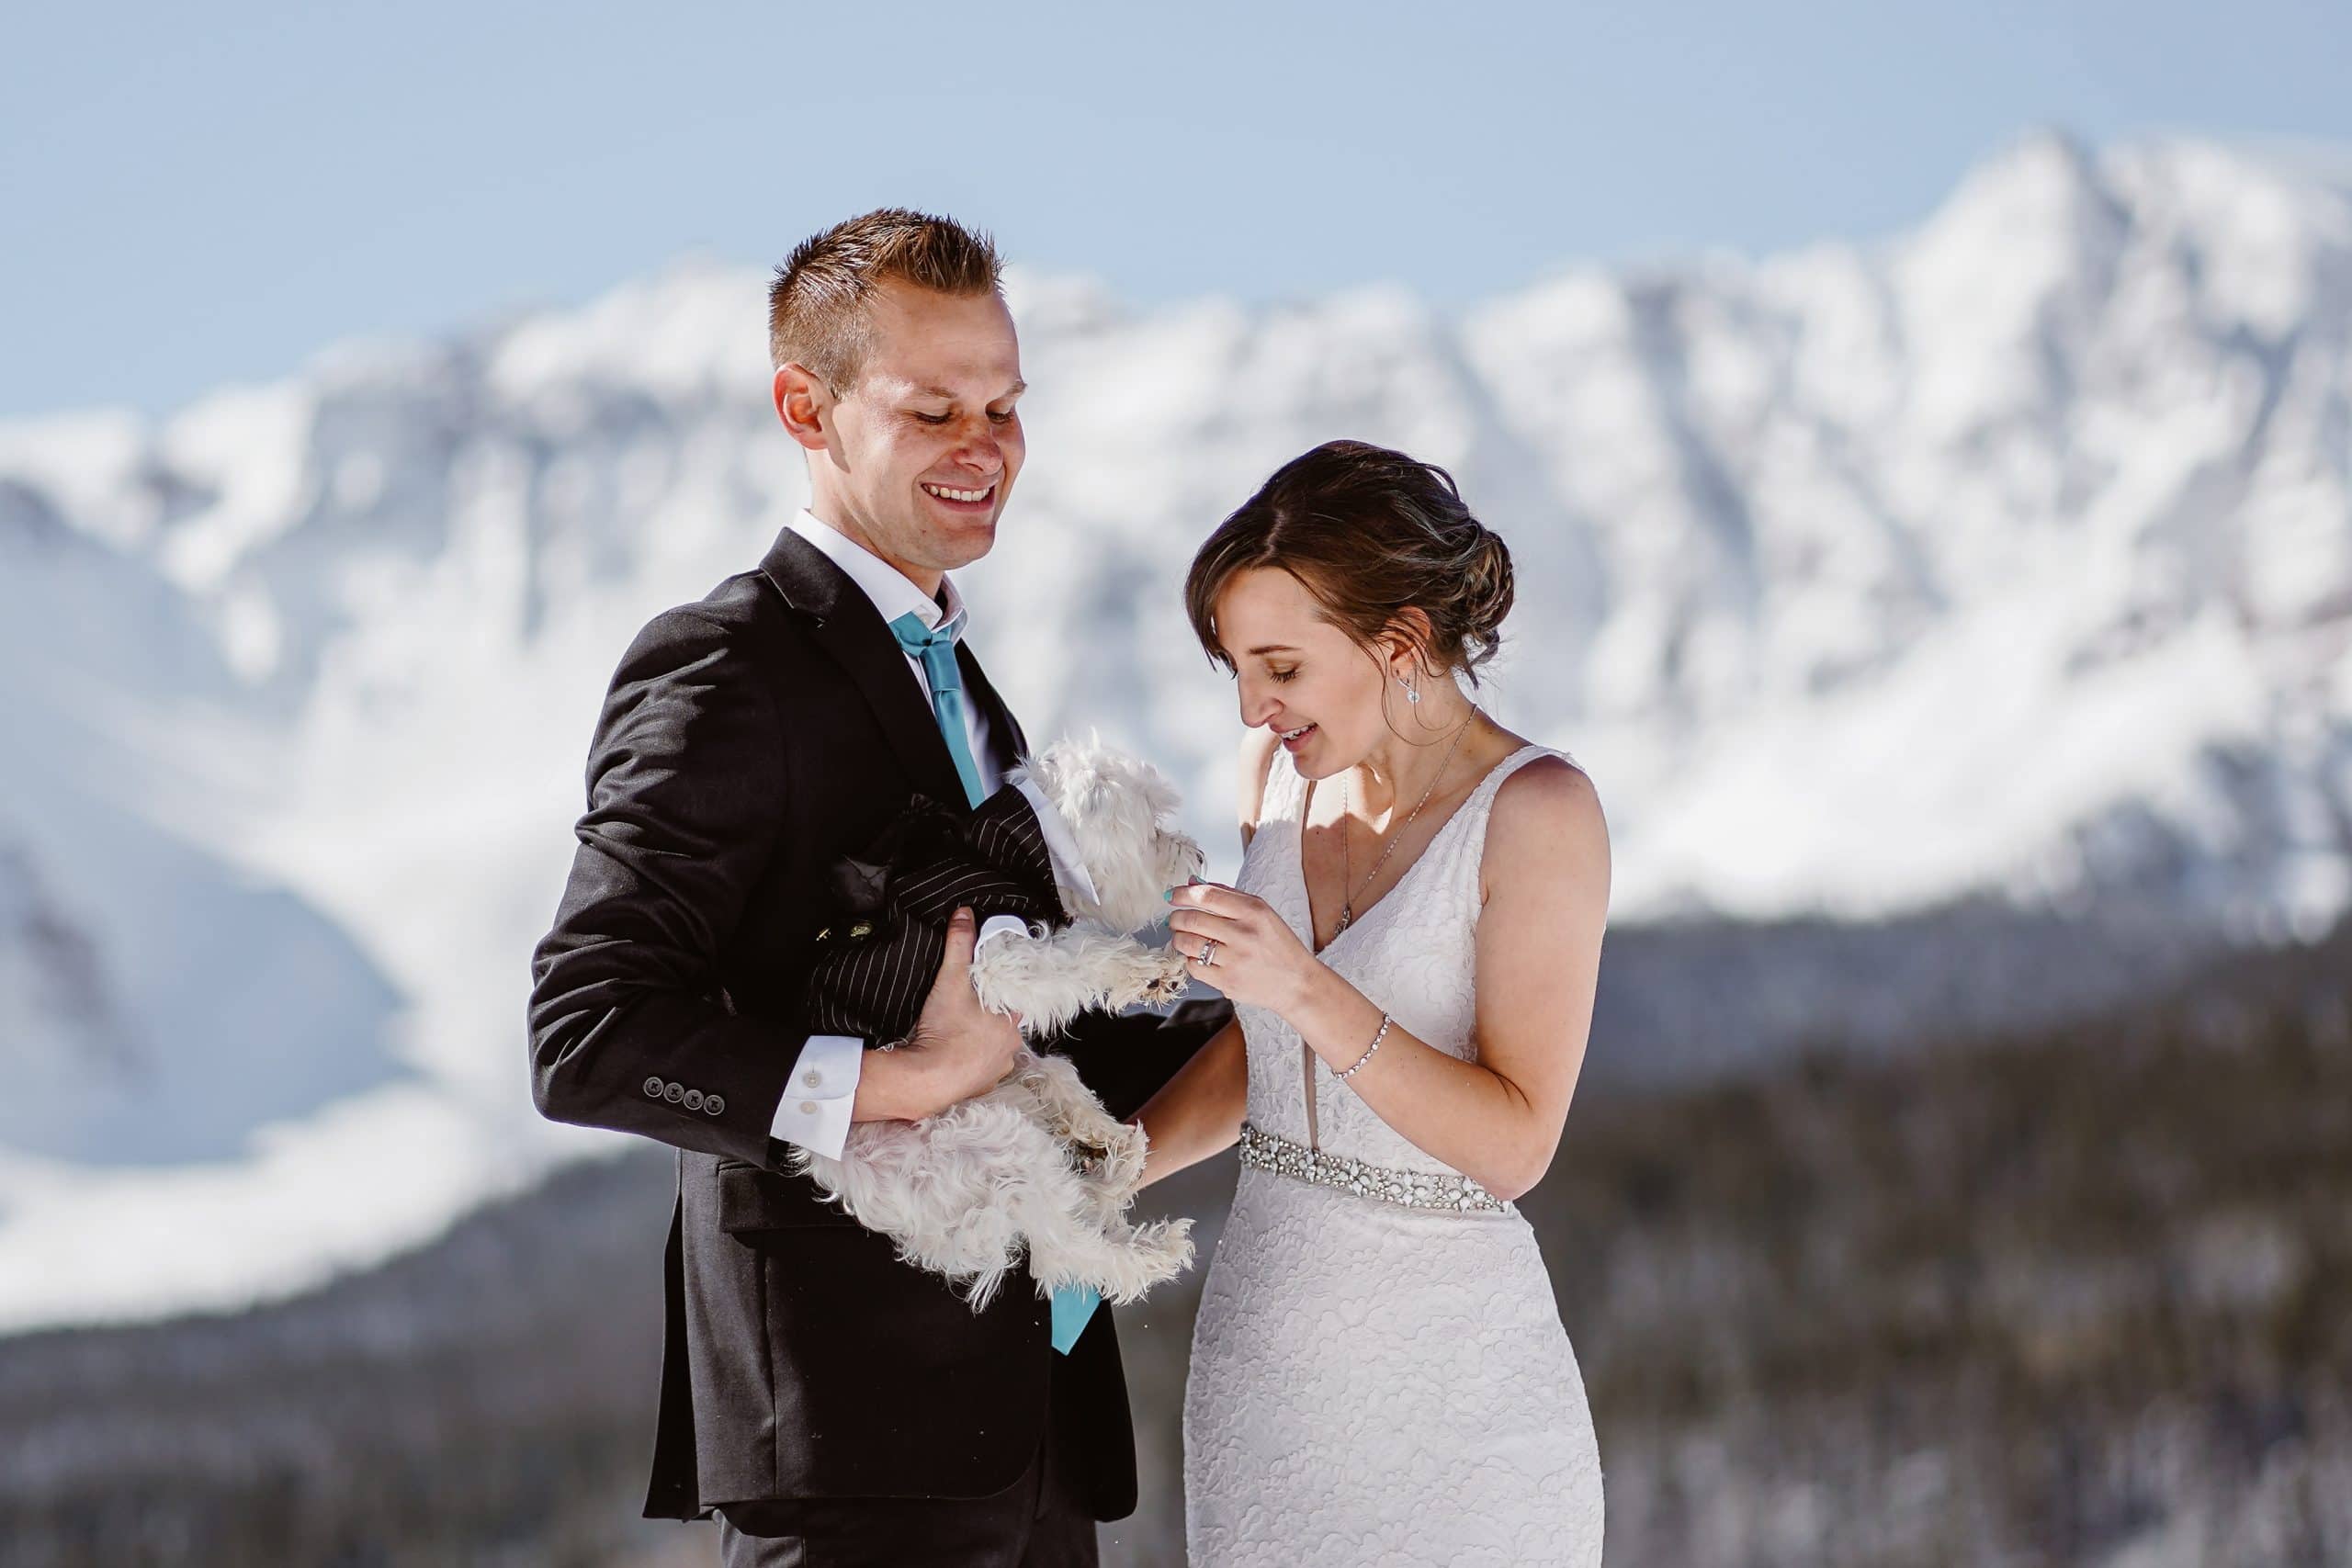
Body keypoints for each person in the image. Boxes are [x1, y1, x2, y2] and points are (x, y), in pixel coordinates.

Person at [526, 208, 1224, 1568]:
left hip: (1034, 1447)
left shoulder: (968, 688)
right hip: (852, 1455)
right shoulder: (726, 667)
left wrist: (1282, 988)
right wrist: (895, 1078)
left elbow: (1016, 1030)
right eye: (935, 409)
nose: (987, 445)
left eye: (1007, 405)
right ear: (808, 406)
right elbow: (586, 1032)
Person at [1138, 439, 1611, 1565]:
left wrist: (1303, 985)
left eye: (1282, 669)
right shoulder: (1281, 787)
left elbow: (1515, 1144)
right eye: (1237, 671)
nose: (1256, 708)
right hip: (1261, 1381)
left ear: (1397, 642)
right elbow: (1264, 1052)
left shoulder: (1540, 811)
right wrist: (1086, 1173)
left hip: (1459, 1407)